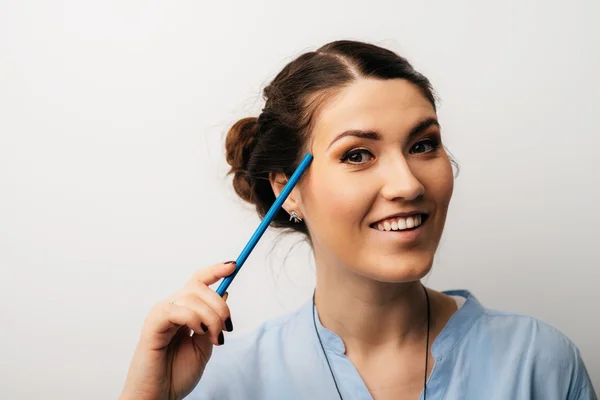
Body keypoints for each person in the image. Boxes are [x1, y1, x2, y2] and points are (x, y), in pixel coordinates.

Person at [119, 40, 597, 400]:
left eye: (422, 145)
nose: (407, 183)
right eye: (358, 154)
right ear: (288, 189)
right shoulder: (220, 380)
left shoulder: (539, 363)